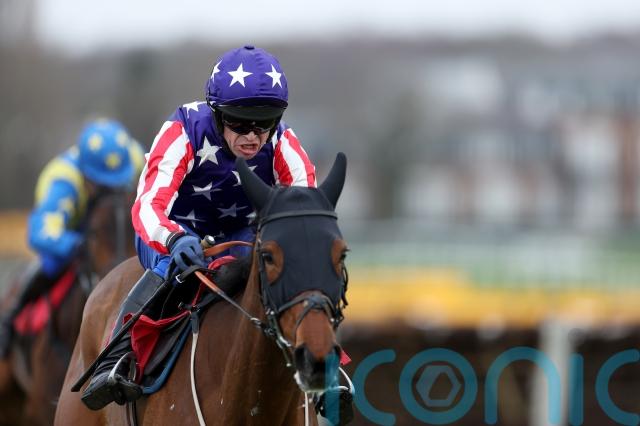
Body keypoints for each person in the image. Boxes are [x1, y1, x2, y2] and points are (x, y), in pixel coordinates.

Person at [81, 45, 317, 410]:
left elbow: (307, 210)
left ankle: (326, 364)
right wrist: (174, 239)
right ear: (217, 113)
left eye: (265, 123)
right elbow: (147, 206)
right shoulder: (183, 130)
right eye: (240, 123)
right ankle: (117, 357)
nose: (253, 137)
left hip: (240, 235)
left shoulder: (283, 142)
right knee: (172, 269)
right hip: (171, 232)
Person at [0, 119, 144, 358]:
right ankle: (8, 319)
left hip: (112, 231)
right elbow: (39, 234)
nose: (111, 193)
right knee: (51, 263)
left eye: (118, 185)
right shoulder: (63, 182)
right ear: (85, 175)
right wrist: (77, 245)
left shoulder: (135, 158)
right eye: (103, 186)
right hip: (74, 230)